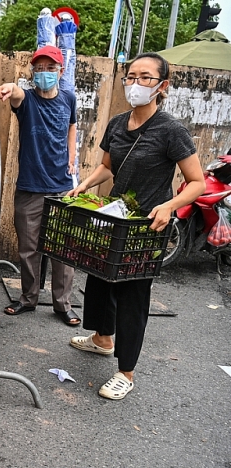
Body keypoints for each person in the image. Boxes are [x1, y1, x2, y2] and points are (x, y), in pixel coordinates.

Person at [66, 52, 205, 400]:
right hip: (114, 217)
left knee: (132, 295)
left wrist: (169, 206)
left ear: (162, 86)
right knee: (98, 279)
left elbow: (198, 182)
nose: (136, 83)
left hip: (146, 227)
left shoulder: (172, 131)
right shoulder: (116, 123)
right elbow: (107, 167)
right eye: (131, 76)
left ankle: (125, 372)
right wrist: (86, 183)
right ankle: (102, 339)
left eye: (146, 77)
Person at [0, 45, 80, 326]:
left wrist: (71, 156)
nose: (44, 73)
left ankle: (62, 304)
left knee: (62, 251)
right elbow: (16, 94)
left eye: (50, 68)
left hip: (62, 187)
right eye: (39, 68)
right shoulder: (27, 100)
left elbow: (71, 126)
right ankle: (28, 298)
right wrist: (10, 87)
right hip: (30, 187)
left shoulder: (69, 98)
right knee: (28, 249)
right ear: (32, 72)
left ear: (61, 71)